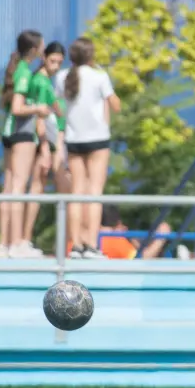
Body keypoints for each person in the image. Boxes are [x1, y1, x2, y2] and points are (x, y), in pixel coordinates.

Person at [56, 37, 120, 259]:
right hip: (97, 139)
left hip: (74, 139)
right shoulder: (99, 76)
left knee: (77, 192)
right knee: (94, 192)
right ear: (91, 56)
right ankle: (91, 245)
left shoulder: (62, 76)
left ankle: (76, 245)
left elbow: (57, 105)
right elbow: (116, 105)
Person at [0, 30, 52, 259]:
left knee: (10, 186)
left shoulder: (20, 69)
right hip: (21, 132)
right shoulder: (24, 72)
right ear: (34, 49)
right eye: (41, 46)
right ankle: (17, 243)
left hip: (11, 132)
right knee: (18, 187)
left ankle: (6, 243)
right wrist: (38, 109)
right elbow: (17, 107)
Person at [21, 41, 67, 253]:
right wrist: (46, 147)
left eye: (59, 62)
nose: (56, 66)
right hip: (46, 141)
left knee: (60, 189)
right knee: (38, 187)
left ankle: (66, 243)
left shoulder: (47, 81)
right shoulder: (40, 81)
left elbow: (54, 110)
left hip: (52, 140)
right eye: (52, 61)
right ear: (44, 58)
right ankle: (25, 239)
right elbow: (40, 116)